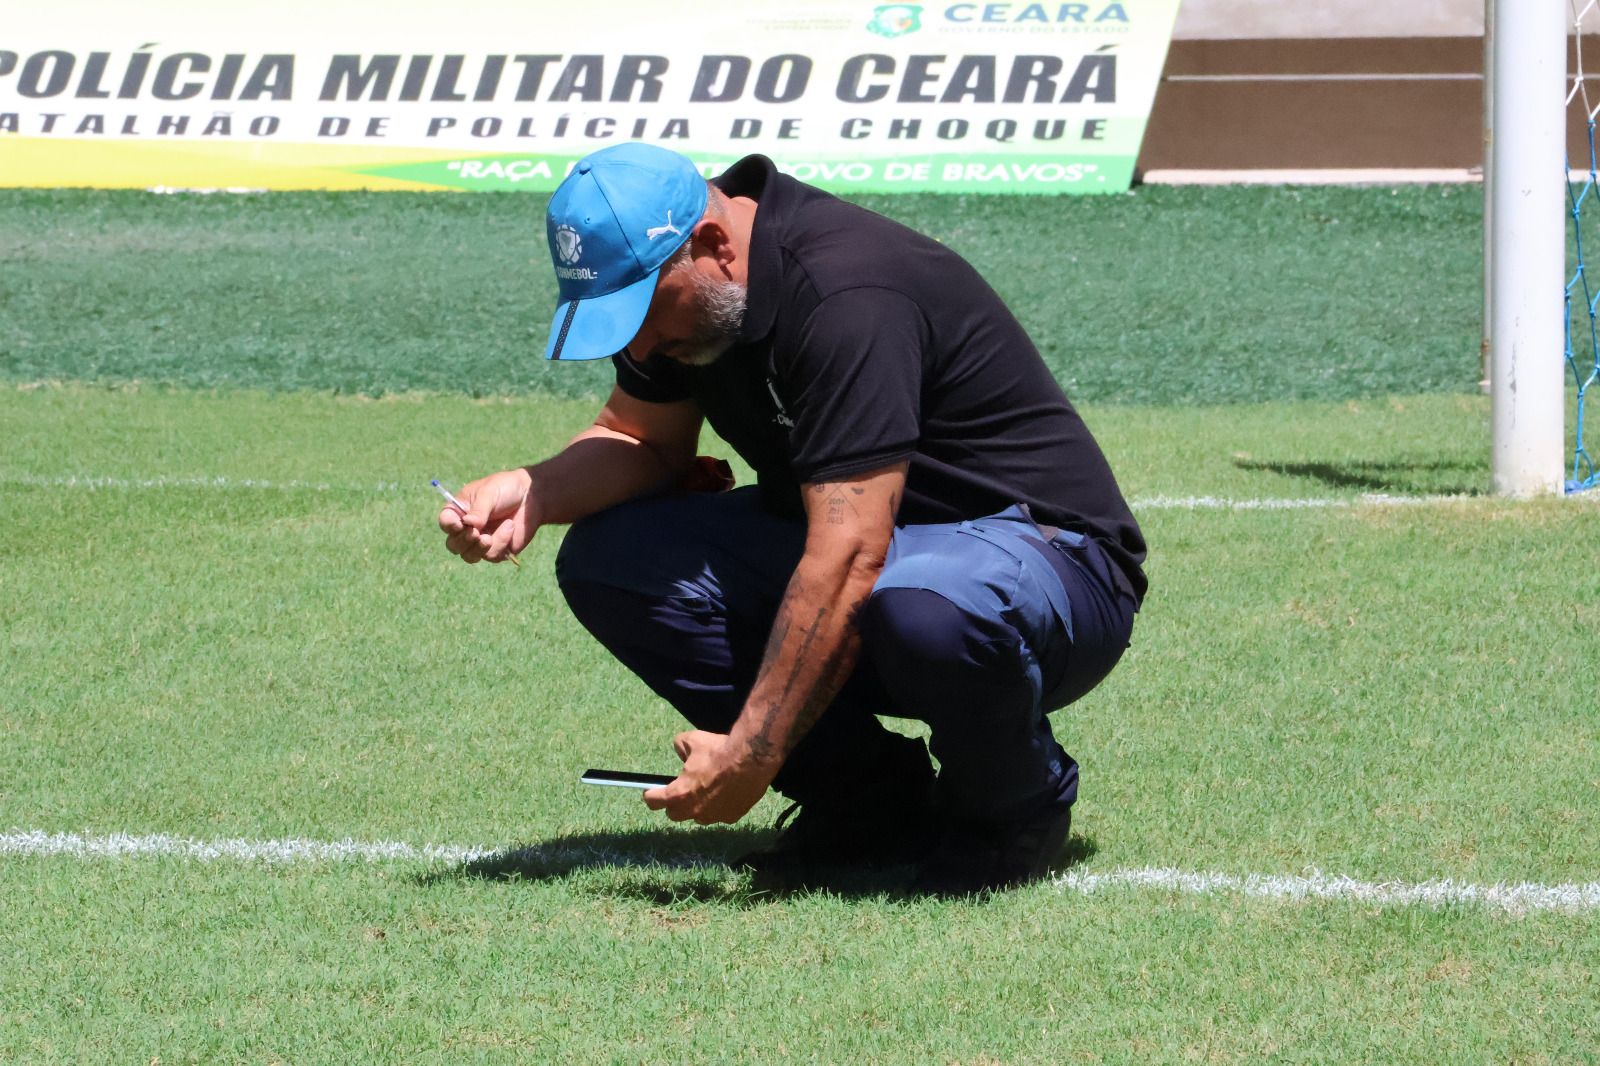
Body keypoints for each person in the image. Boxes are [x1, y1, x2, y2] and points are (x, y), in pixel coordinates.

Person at [438, 143, 1146, 894]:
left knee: (924, 607)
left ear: (712, 245)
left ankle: (1010, 814)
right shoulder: (696, 299)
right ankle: (871, 804)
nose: (636, 345)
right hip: (885, 572)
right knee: (613, 560)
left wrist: (752, 752)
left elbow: (850, 556)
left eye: (639, 310)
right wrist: (535, 489)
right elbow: (643, 440)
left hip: (1048, 571)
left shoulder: (846, 291)